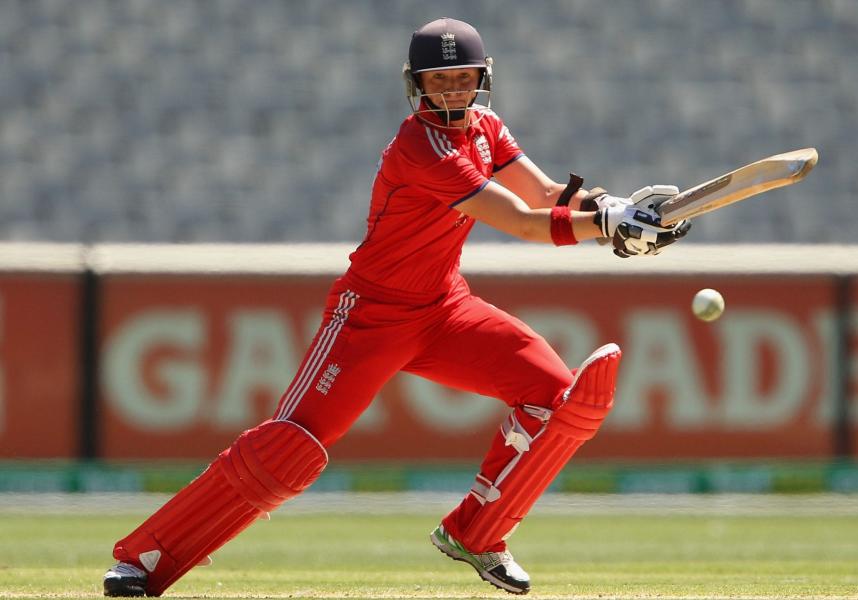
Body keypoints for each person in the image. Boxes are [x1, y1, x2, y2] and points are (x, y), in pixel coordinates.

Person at [102, 17, 691, 597]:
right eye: (440, 80)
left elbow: (544, 194)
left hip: (445, 309)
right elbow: (521, 221)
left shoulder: (486, 127)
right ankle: (143, 560)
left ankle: (476, 534)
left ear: (482, 78)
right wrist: (608, 226)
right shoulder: (421, 145)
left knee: (556, 398)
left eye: (463, 77)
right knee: (288, 448)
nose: (453, 90)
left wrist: (614, 207)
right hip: (371, 316)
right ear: (417, 85)